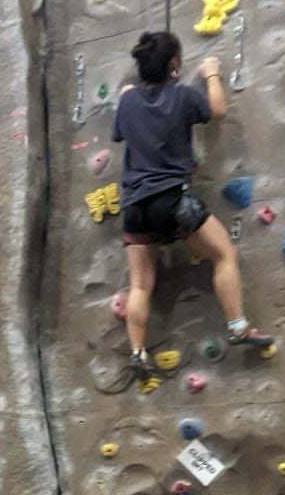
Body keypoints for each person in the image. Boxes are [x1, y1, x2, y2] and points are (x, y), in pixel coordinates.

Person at [113, 30, 274, 381]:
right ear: (174, 63)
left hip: (136, 205)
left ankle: (138, 353)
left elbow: (123, 127)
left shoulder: (127, 102)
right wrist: (212, 72)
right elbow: (217, 110)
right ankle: (238, 326)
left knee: (140, 285)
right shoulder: (184, 96)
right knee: (224, 254)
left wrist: (131, 95)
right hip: (172, 199)